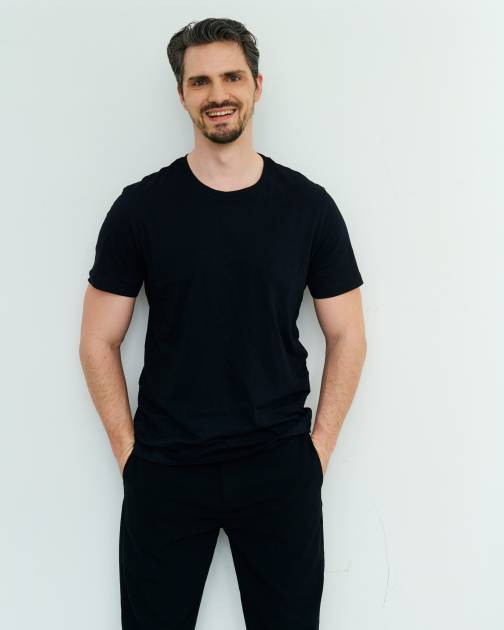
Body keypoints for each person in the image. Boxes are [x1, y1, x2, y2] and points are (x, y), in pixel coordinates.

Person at [79, 17, 367, 630]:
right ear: (181, 94)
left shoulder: (308, 207)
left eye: (233, 77)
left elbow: (348, 334)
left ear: (257, 86)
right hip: (166, 470)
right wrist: (131, 456)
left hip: (279, 467)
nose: (218, 94)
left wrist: (315, 453)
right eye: (201, 81)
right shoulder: (140, 209)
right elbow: (97, 339)